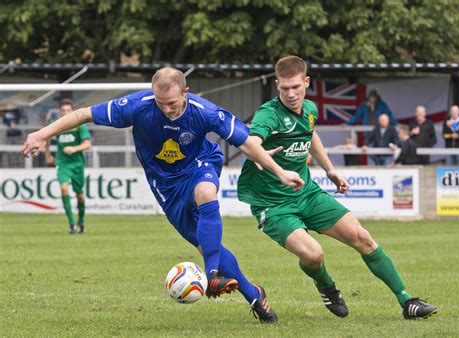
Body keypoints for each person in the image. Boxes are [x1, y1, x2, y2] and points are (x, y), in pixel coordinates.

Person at [22, 67, 305, 324]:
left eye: (172, 103)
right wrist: (42, 134)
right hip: (166, 187)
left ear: (186, 92)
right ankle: (254, 294)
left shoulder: (204, 111)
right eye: (161, 103)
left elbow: (244, 141)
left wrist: (279, 172)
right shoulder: (138, 106)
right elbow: (83, 114)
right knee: (203, 243)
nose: (167, 110)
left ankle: (212, 276)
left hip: (200, 165)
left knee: (206, 193)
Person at [238, 55, 437, 320]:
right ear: (277, 85)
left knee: (363, 238)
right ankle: (326, 286)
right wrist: (278, 169)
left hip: (307, 194)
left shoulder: (309, 109)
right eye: (285, 88)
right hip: (273, 205)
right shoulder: (269, 114)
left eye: (296, 87)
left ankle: (407, 301)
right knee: (314, 255)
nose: (291, 94)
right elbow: (250, 143)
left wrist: (330, 170)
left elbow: (310, 134)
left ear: (306, 82)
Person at [44, 99, 91, 234]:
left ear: (72, 111)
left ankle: (81, 222)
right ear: (60, 112)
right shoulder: (56, 125)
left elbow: (87, 144)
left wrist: (74, 148)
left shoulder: (80, 126)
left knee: (79, 195)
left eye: (68, 110)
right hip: (62, 163)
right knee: (64, 188)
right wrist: (47, 155)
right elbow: (46, 137)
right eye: (63, 110)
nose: (65, 113)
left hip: (77, 164)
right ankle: (71, 224)